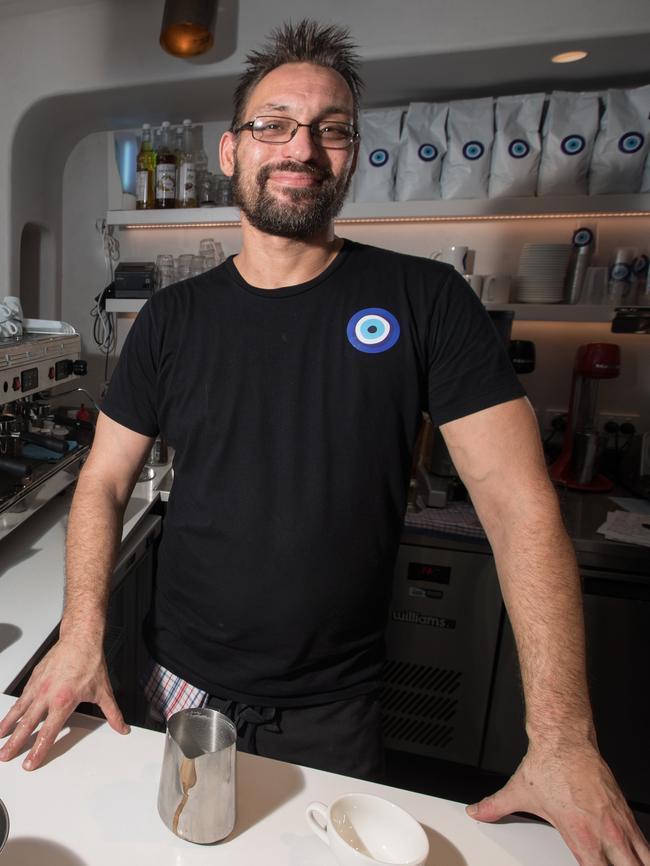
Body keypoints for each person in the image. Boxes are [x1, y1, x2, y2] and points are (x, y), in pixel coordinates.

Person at [0, 19, 648, 865]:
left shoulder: (428, 300)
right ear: (231, 152)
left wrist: (561, 737)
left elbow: (520, 507)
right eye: (274, 124)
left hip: (335, 704)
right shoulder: (170, 321)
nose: (301, 147)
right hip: (179, 682)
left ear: (347, 157)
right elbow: (104, 480)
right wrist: (81, 635)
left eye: (330, 129)